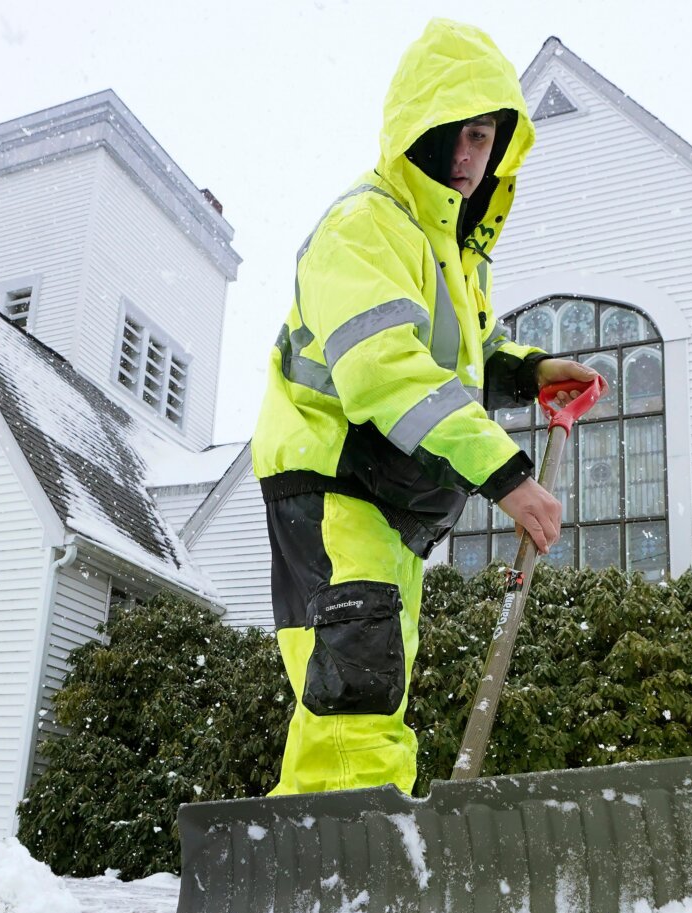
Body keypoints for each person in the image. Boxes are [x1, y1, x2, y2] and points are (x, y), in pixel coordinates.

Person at [252, 18, 595, 797]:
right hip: (336, 481)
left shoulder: (451, 256)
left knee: (370, 675)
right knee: (356, 683)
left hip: (390, 498)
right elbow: (387, 371)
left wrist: (529, 371)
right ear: (419, 133)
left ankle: (334, 860)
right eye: (459, 137)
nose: (472, 159)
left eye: (485, 140)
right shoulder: (366, 225)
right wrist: (508, 476)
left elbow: (455, 364)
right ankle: (344, 867)